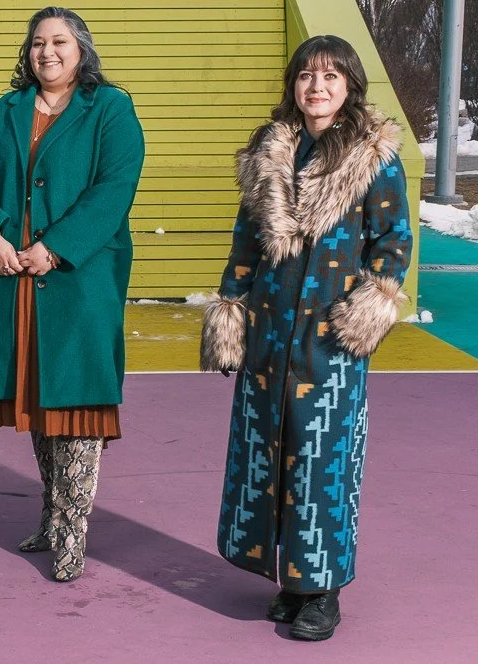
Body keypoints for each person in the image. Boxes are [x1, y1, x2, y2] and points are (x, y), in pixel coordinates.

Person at [200, 35, 411, 641]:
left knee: (322, 462)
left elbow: (394, 242)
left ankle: (323, 590)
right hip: (269, 337)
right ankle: (289, 582)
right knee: (267, 454)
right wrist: (231, 312)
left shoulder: (373, 158)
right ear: (293, 86)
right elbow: (246, 243)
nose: (316, 87)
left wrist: (363, 312)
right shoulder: (271, 153)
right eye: (306, 77)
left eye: (330, 77)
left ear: (349, 87)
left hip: (330, 340)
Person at [0, 7, 145, 583]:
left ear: (81, 49)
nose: (47, 52)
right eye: (38, 42)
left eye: (60, 41)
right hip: (11, 278)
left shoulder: (111, 109)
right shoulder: (4, 110)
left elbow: (115, 187)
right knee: (37, 398)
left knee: (77, 404)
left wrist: (57, 246)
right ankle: (51, 513)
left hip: (76, 280)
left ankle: (73, 530)